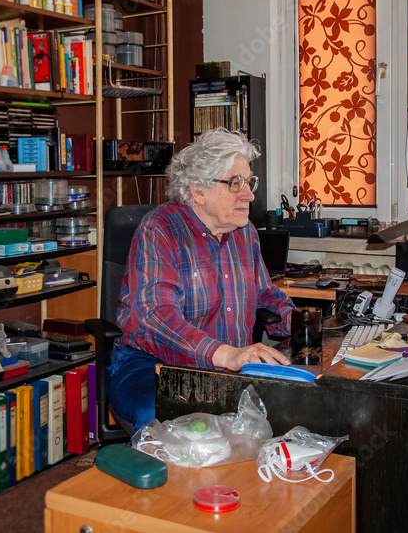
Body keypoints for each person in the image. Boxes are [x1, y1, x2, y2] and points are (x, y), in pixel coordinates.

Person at [107, 128, 295, 431]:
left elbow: (265, 294)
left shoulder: (243, 231)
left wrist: (300, 322)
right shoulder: (159, 230)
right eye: (236, 183)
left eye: (249, 182)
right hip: (154, 365)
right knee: (169, 427)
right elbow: (156, 319)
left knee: (287, 413)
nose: (249, 194)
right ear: (198, 190)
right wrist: (228, 355)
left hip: (226, 369)